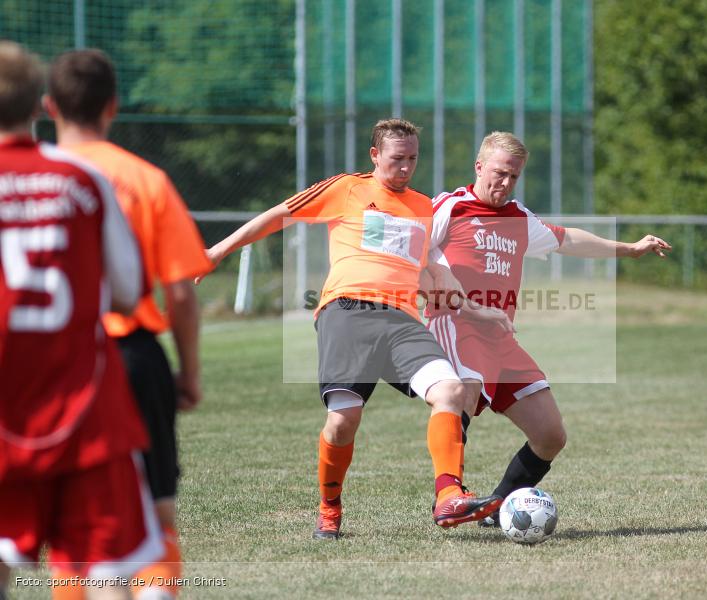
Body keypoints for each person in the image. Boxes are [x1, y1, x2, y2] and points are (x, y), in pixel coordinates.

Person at [198, 118, 503, 540]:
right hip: (347, 309)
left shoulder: (422, 206)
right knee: (343, 421)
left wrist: (474, 310)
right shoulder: (347, 188)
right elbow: (279, 215)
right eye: (397, 158)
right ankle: (329, 506)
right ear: (375, 155)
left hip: (402, 319)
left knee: (450, 391)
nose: (406, 167)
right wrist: (218, 250)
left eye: (413, 159)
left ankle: (448, 495)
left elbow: (421, 270)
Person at [424, 131, 671, 525]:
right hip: (456, 323)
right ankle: (449, 496)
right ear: (479, 167)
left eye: (514, 176)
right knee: (464, 392)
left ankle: (494, 509)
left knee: (551, 435)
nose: (506, 183)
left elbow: (568, 239)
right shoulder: (449, 207)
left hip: (501, 337)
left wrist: (629, 249)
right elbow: (411, 252)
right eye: (500, 173)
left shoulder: (519, 218)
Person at [43, 48, 211, 599]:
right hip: (134, 356)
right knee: (156, 502)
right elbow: (180, 292)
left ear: (49, 106)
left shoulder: (28, 181)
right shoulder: (145, 179)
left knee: (71, 512)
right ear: (113, 106)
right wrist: (188, 373)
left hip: (57, 361)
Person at [0, 41, 161, 600]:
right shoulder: (81, 178)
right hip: (83, 407)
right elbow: (127, 293)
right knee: (105, 571)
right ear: (38, 106)